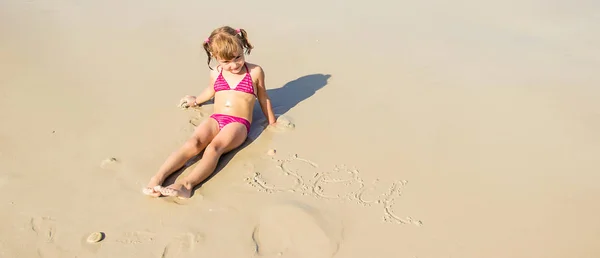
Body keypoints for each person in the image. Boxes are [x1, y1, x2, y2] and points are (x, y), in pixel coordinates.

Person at [143, 26, 277, 198]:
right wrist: (196, 101)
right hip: (216, 118)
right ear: (216, 58)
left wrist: (272, 121)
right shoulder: (215, 73)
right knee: (193, 143)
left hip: (238, 123)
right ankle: (158, 178)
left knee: (214, 148)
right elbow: (211, 90)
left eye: (238, 57)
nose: (234, 64)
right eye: (226, 62)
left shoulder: (254, 72)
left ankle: (186, 184)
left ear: (243, 49)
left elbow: (263, 97)